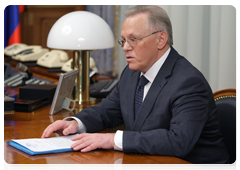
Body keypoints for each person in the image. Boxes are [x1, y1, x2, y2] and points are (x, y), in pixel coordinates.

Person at [42, 5, 229, 170]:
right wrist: (75, 122)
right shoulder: (132, 72)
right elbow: (109, 110)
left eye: (134, 39)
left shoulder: (188, 82)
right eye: (123, 40)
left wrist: (112, 139)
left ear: (161, 39)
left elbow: (179, 141)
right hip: (148, 163)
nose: (125, 47)